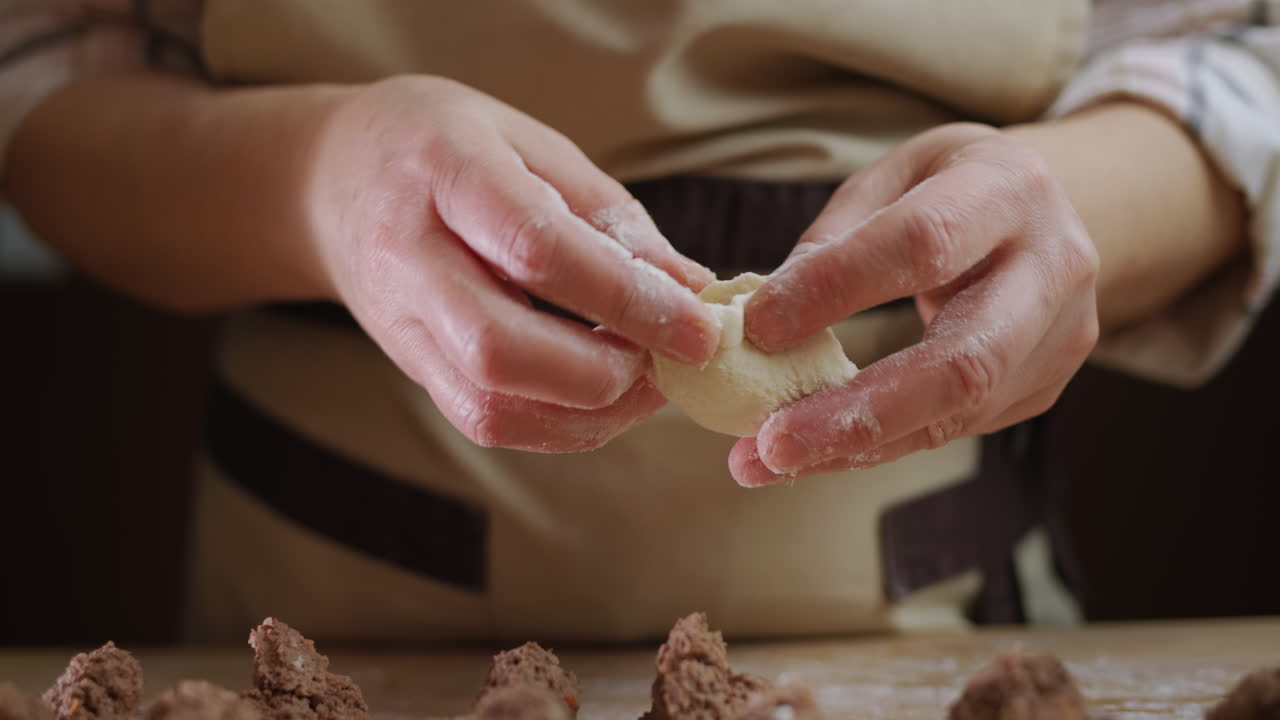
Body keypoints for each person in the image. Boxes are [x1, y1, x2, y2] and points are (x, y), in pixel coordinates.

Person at [1, 0, 1277, 643]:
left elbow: (1236, 52)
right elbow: (40, 69)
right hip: (341, 619)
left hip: (934, 621)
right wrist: (309, 174)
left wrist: (1066, 210)